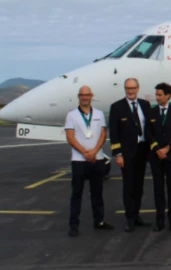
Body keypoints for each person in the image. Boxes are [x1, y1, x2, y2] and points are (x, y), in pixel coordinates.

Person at [65, 86, 113, 237]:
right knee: (77, 193)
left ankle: (99, 221)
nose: (84, 97)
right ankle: (74, 224)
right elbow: (70, 137)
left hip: (97, 159)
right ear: (78, 97)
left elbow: (103, 134)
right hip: (79, 160)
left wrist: (94, 152)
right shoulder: (71, 115)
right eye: (82, 95)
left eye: (87, 95)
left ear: (92, 96)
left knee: (97, 192)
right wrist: (85, 152)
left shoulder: (99, 114)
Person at [109, 78, 152, 232]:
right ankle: (129, 218)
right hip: (127, 153)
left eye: (133, 88)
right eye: (127, 88)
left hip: (143, 151)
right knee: (129, 186)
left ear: (138, 88)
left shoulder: (145, 105)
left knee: (139, 186)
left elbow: (150, 128)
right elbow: (114, 133)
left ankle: (136, 215)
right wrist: (118, 154)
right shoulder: (117, 107)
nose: (130, 91)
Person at [146, 82, 171, 232]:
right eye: (156, 95)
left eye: (159, 95)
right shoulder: (151, 113)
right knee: (158, 189)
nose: (157, 97)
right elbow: (148, 133)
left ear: (167, 96)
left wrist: (167, 148)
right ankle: (160, 220)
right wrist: (157, 149)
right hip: (156, 157)